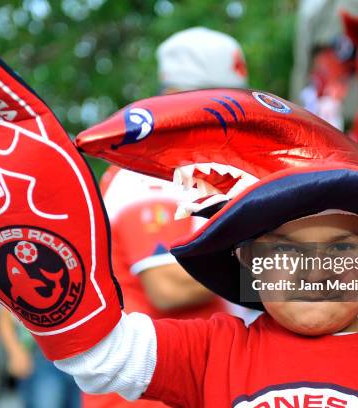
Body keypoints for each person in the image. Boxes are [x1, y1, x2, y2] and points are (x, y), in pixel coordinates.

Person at [0, 6, 358, 407]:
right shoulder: (216, 349)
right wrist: (36, 267)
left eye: (340, 249)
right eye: (285, 252)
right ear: (249, 260)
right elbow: (106, 353)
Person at [85, 26, 252, 408]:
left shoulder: (196, 169)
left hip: (186, 387)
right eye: (225, 103)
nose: (236, 118)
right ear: (180, 97)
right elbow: (168, 288)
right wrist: (275, 263)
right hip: (143, 395)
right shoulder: (149, 169)